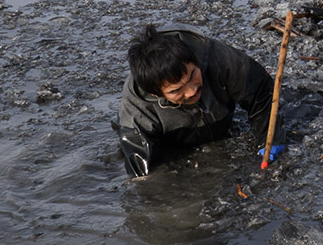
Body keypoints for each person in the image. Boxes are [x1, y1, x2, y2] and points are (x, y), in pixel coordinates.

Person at [116, 24, 285, 178]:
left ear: (195, 62)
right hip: (174, 140)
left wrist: (269, 140)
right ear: (155, 94)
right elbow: (141, 174)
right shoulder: (136, 109)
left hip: (220, 121)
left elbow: (262, 93)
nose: (191, 91)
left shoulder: (217, 57)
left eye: (192, 76)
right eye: (176, 90)